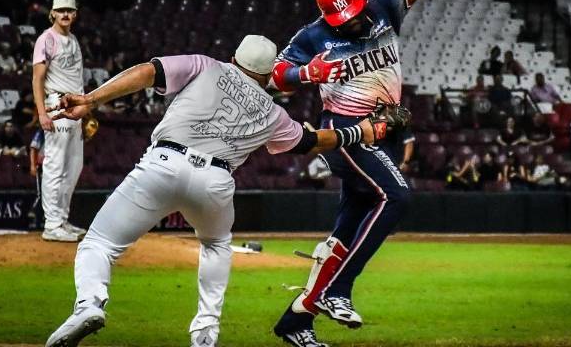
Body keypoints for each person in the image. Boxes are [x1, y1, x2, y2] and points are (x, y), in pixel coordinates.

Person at [43, 35, 384, 347]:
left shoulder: (205, 64)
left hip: (164, 162)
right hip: (216, 181)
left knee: (100, 243)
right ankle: (205, 332)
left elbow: (148, 72)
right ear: (267, 76)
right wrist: (363, 130)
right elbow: (312, 142)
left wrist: (91, 99)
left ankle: (89, 304)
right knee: (216, 246)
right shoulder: (272, 111)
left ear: (235, 59)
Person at [269, 0, 435, 346]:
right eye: (344, 19)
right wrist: (307, 74)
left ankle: (295, 321)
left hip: (387, 129)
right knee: (396, 196)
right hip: (348, 131)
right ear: (327, 16)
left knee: (347, 228)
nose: (354, 22)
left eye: (355, 13)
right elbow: (277, 75)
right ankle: (336, 291)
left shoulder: (382, 6)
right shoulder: (313, 36)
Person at [32, 0, 87, 242]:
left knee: (74, 166)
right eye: (60, 10)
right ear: (52, 13)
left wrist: (86, 108)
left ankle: (61, 220)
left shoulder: (73, 39)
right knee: (55, 164)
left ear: (75, 14)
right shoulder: (46, 39)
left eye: (69, 10)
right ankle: (52, 224)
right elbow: (37, 78)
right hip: (56, 104)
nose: (65, 14)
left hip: (75, 106)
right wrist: (42, 112)